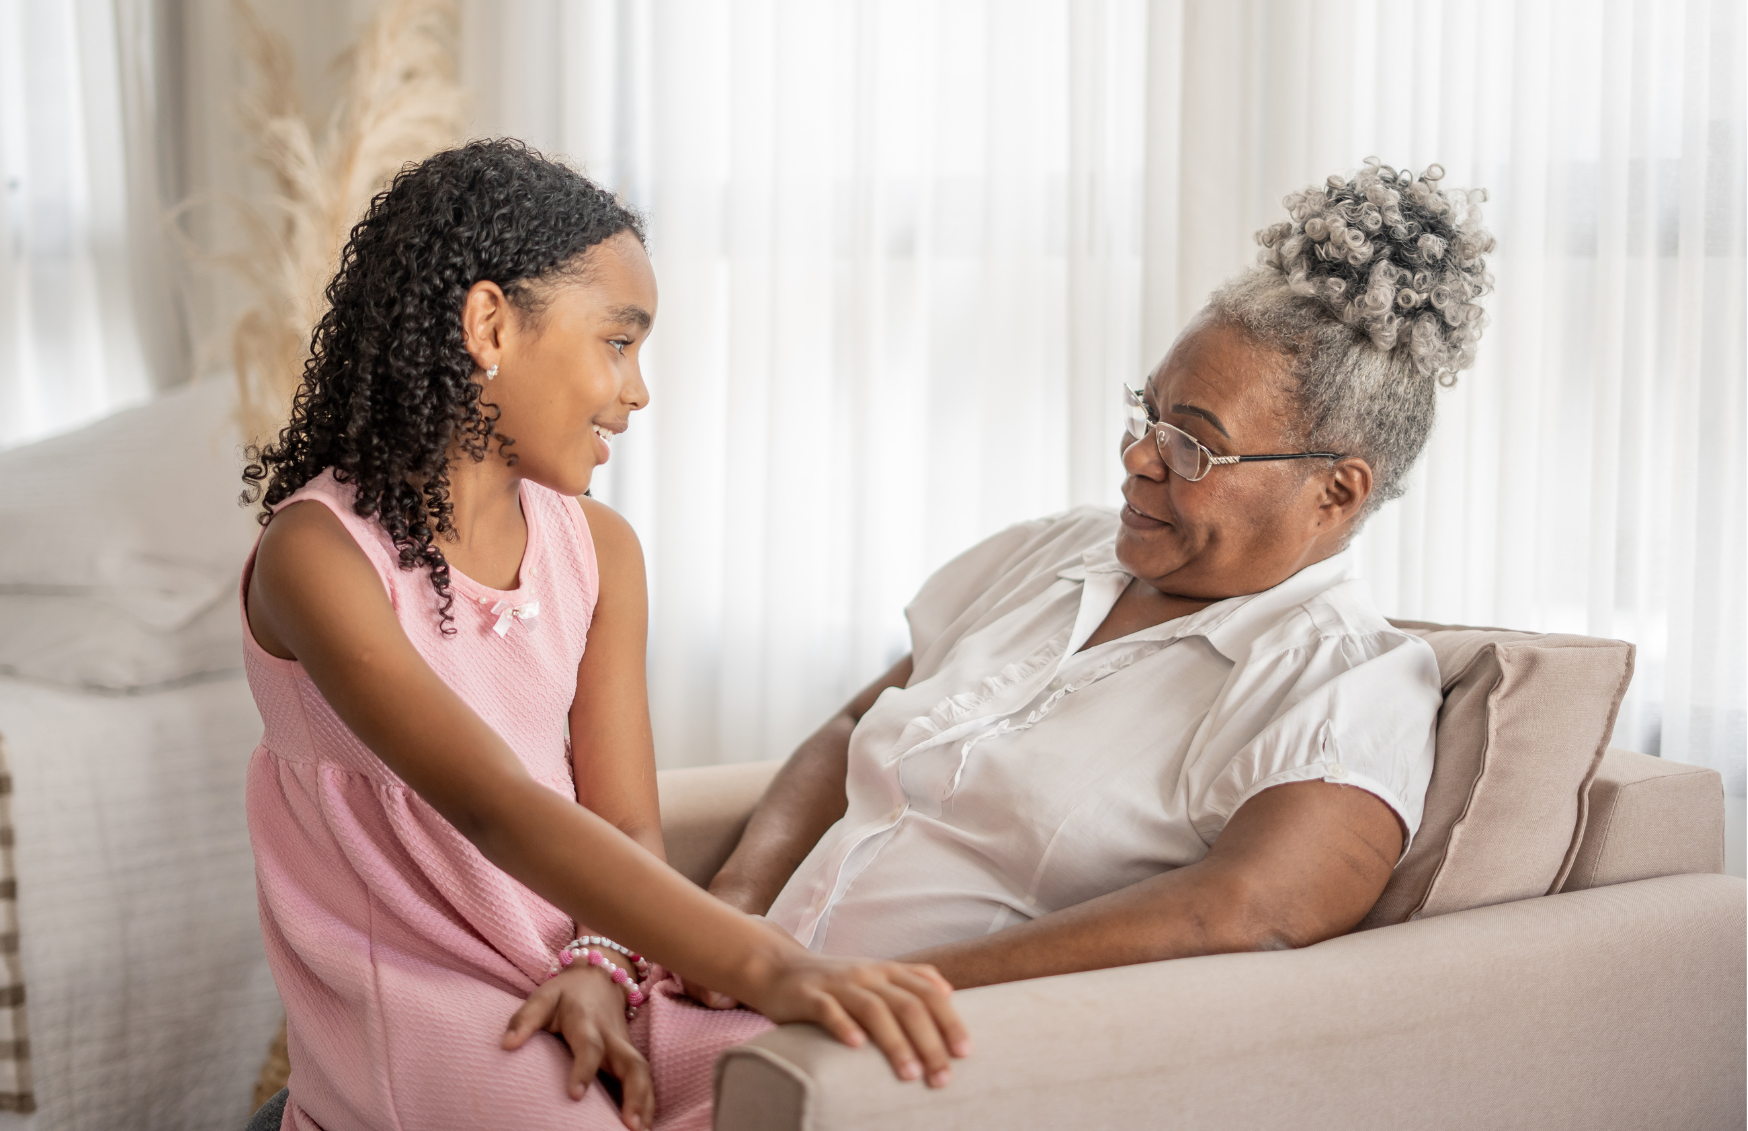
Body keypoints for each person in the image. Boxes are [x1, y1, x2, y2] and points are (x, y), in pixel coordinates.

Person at [240, 141, 968, 1131]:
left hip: (580, 972)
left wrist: (598, 962)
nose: (637, 392)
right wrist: (774, 965)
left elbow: (624, 822)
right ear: (489, 324)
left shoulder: (600, 552)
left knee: (819, 1086)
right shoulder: (316, 557)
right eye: (618, 343)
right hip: (422, 1007)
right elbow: (494, 804)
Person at [687, 160, 1492, 995]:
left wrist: (870, 991)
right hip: (742, 996)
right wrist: (729, 923)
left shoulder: (1344, 683)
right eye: (1146, 415)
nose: (1139, 459)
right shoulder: (1050, 553)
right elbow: (857, 723)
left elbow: (1248, 912)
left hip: (908, 1057)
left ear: (1336, 490)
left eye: (1194, 444)